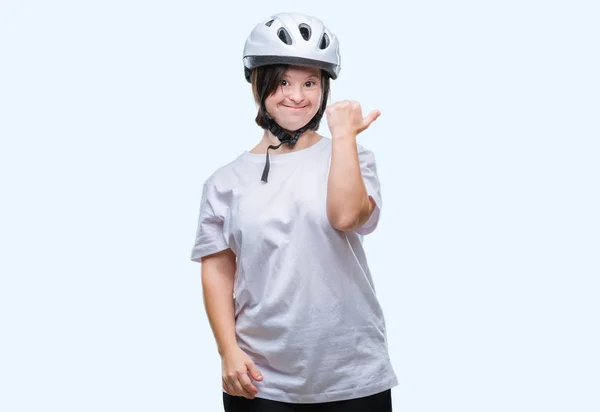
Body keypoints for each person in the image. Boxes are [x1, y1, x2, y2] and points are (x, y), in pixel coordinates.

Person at [190, 12, 398, 412]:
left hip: (352, 372)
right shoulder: (224, 181)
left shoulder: (353, 155)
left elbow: (346, 217)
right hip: (260, 377)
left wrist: (343, 138)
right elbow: (217, 269)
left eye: (310, 83)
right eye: (283, 82)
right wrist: (227, 351)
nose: (297, 95)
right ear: (258, 85)